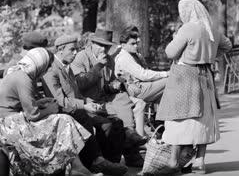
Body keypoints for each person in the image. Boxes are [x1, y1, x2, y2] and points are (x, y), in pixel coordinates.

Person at [156, 0, 232, 173]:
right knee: (202, 120)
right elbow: (227, 46)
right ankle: (200, 162)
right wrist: (210, 56)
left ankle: (173, 162)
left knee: (178, 119)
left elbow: (170, 52)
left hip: (185, 76)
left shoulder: (188, 28)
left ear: (188, 11)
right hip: (205, 76)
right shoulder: (212, 28)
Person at [0, 47, 99, 176]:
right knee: (64, 121)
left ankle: (76, 167)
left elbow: (20, 104)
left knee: (62, 121)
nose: (46, 71)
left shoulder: (20, 73)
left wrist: (40, 103)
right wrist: (49, 109)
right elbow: (33, 115)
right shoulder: (24, 79)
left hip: (13, 120)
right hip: (10, 125)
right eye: (46, 67)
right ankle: (76, 167)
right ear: (40, 65)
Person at [42, 35, 128, 175]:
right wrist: (84, 105)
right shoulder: (51, 70)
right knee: (91, 119)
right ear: (60, 49)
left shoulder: (66, 67)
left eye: (76, 49)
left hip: (76, 110)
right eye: (72, 50)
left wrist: (89, 102)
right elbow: (60, 101)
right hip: (62, 113)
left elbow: (76, 94)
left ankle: (106, 162)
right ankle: (97, 162)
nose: (75, 53)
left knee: (113, 122)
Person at [71, 29, 146, 167]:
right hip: (86, 102)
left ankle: (129, 135)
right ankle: (130, 152)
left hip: (104, 100)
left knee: (123, 96)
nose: (103, 49)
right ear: (92, 43)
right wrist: (98, 65)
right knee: (116, 121)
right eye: (100, 45)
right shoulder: (81, 57)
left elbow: (107, 85)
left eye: (106, 46)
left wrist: (116, 84)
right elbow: (80, 85)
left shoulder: (109, 59)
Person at [114, 27, 169, 103]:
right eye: (132, 44)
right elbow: (143, 75)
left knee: (166, 94)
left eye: (136, 43)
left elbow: (145, 71)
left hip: (140, 87)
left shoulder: (132, 54)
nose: (136, 46)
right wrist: (166, 74)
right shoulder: (124, 57)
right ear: (123, 45)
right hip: (136, 90)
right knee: (171, 80)